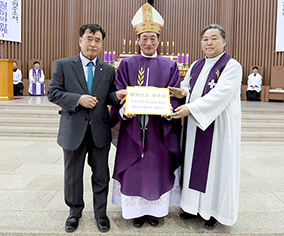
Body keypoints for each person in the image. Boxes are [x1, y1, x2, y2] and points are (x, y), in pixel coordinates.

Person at [47, 24, 126, 233]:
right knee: (73, 175)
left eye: (98, 40)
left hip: (99, 130)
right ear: (80, 40)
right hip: (73, 130)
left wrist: (116, 97)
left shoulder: (108, 69)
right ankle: (74, 212)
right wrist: (78, 99)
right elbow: (53, 93)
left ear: (101, 44)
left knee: (101, 174)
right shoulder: (64, 65)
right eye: (89, 38)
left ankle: (101, 214)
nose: (93, 43)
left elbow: (108, 96)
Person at [112, 2, 181, 228]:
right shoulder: (126, 64)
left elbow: (174, 95)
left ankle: (154, 212)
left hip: (159, 130)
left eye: (153, 38)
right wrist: (124, 109)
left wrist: (168, 111)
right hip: (132, 128)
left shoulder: (170, 66)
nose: (148, 42)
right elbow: (119, 92)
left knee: (156, 168)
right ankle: (136, 213)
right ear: (138, 40)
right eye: (144, 38)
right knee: (135, 169)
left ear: (159, 40)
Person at [169, 24, 242, 230]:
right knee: (193, 165)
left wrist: (189, 108)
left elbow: (220, 95)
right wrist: (182, 93)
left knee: (217, 168)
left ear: (224, 41)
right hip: (195, 127)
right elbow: (188, 86)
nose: (209, 43)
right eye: (205, 39)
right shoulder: (195, 65)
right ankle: (192, 207)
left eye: (214, 38)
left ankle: (213, 211)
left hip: (218, 128)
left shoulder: (232, 66)